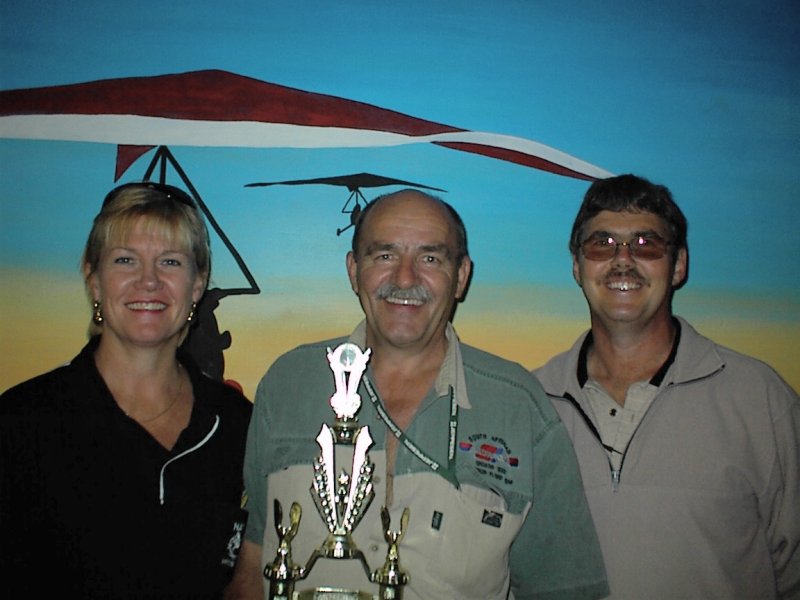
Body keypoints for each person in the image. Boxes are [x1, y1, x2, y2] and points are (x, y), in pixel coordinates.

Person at [227, 190, 608, 600]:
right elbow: (251, 568)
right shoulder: (289, 384)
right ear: (354, 270)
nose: (405, 279)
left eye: (430, 258)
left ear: (461, 276)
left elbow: (562, 589)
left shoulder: (519, 407)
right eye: (384, 255)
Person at [534, 174, 800, 599]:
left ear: (678, 265)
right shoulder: (530, 403)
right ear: (576, 266)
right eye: (601, 244)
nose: (622, 260)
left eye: (646, 245)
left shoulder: (761, 400)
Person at [0, 182, 253, 599]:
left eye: (170, 262)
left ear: (197, 285)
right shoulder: (23, 421)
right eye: (125, 260)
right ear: (94, 279)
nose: (148, 282)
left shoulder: (236, 424)